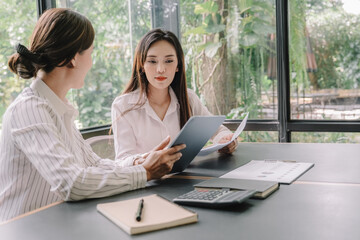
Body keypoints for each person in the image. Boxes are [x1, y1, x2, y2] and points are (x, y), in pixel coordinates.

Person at [0, 8, 185, 222]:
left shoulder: (58, 108)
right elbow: (72, 183)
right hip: (27, 230)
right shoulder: (30, 109)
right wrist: (144, 173)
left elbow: (93, 164)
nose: (91, 62)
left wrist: (138, 162)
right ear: (73, 59)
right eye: (91, 53)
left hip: (58, 223)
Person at [111, 28, 237, 161]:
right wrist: (149, 160)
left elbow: (218, 130)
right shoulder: (123, 106)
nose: (160, 69)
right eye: (152, 61)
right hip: (146, 181)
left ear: (178, 65)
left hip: (186, 179)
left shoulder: (188, 99)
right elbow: (123, 161)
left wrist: (226, 140)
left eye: (169, 61)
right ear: (142, 65)